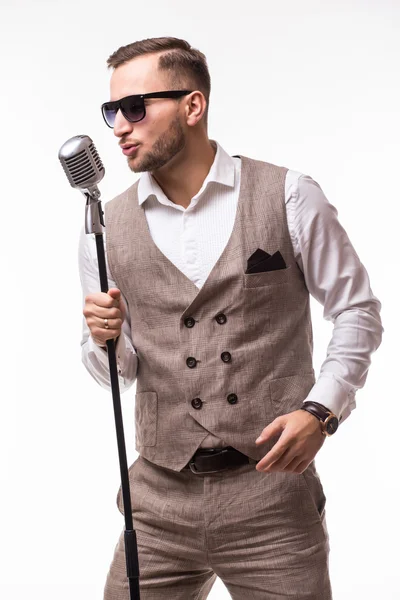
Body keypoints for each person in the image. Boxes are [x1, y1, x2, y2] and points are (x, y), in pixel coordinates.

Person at [78, 36, 383, 600]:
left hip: (272, 499)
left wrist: (323, 410)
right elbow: (111, 370)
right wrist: (104, 341)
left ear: (193, 106)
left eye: (135, 107)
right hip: (155, 505)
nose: (119, 126)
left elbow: (356, 308)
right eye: (111, 111)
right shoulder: (106, 226)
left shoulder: (288, 194)